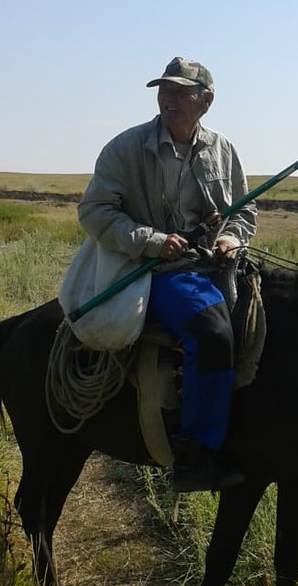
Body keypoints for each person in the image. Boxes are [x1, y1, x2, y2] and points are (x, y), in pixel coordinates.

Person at [78, 56, 257, 492]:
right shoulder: (126, 148)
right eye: (164, 90)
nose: (168, 98)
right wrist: (152, 241)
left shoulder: (223, 149)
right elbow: (94, 211)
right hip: (153, 270)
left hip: (215, 263)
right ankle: (197, 454)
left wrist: (231, 238)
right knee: (213, 333)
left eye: (179, 91)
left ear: (206, 100)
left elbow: (244, 210)